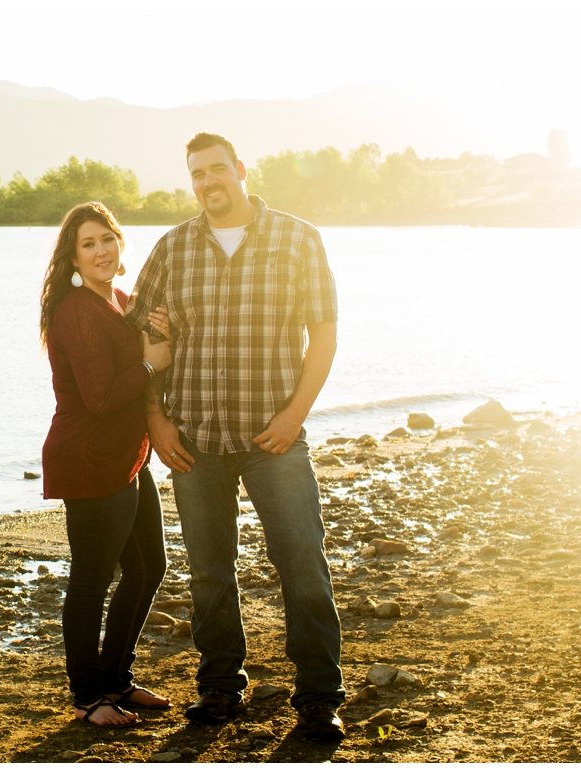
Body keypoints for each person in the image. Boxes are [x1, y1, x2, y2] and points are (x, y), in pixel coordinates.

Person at [123, 133, 347, 741]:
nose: (208, 182)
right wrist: (156, 419)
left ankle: (320, 696)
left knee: (302, 561)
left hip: (274, 436)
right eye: (197, 174)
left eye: (217, 169)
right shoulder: (172, 249)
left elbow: (323, 338)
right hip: (194, 439)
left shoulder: (298, 239)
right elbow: (142, 340)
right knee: (209, 572)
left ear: (241, 171)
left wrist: (295, 415)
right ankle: (221, 686)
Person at [40, 202, 178, 727]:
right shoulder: (76, 310)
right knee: (92, 580)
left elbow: (145, 356)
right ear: (74, 257)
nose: (100, 251)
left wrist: (156, 338)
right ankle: (87, 698)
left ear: (121, 245)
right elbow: (99, 397)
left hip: (126, 456)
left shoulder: (120, 300)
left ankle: (117, 680)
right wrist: (148, 360)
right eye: (88, 244)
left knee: (148, 568)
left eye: (107, 240)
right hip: (89, 458)